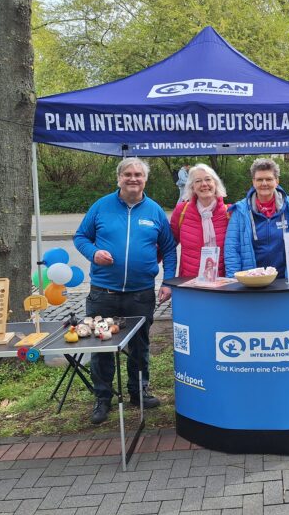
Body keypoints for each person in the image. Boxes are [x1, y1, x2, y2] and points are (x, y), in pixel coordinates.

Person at [74, 157, 177, 425]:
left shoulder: (154, 211)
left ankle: (138, 391)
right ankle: (102, 397)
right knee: (101, 346)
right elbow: (81, 237)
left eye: (138, 175)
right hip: (103, 293)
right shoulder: (101, 206)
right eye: (128, 174)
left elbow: (168, 249)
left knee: (140, 346)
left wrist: (168, 282)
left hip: (140, 293)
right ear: (119, 178)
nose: (133, 179)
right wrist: (94, 254)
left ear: (145, 179)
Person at [224, 158, 289, 277]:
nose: (264, 183)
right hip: (251, 282)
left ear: (277, 181)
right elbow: (232, 249)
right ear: (253, 182)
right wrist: (233, 281)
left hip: (285, 280)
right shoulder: (240, 210)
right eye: (260, 179)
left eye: (269, 179)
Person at [170, 163, 229, 278]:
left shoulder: (229, 213)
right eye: (198, 181)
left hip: (223, 284)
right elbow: (168, 246)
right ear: (192, 187)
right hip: (190, 284)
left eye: (208, 179)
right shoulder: (181, 211)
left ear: (215, 184)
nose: (204, 184)